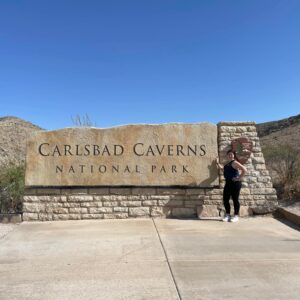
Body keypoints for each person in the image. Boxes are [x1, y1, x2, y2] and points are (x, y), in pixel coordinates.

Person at [216, 149, 247, 222]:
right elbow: (223, 170)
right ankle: (227, 215)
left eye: (231, 154)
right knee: (225, 199)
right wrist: (217, 163)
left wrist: (239, 178)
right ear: (227, 156)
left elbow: (244, 169)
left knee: (235, 199)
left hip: (235, 183)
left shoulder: (235, 162)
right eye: (229, 154)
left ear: (233, 155)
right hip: (228, 183)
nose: (230, 155)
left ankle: (236, 216)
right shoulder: (227, 164)